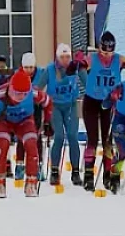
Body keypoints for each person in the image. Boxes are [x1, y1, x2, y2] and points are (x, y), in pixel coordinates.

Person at [76, 31, 125, 191]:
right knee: (92, 139)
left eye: (109, 52)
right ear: (100, 48)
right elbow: (79, 68)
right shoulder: (92, 58)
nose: (107, 56)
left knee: (108, 141)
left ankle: (108, 175)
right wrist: (80, 68)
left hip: (110, 103)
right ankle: (89, 175)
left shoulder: (119, 59)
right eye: (104, 52)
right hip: (91, 102)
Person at [0, 70, 53, 198]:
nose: (20, 97)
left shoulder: (33, 92)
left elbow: (48, 102)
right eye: (16, 93)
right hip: (4, 121)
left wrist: (47, 122)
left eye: (24, 94)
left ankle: (31, 182)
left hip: (24, 120)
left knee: (31, 144)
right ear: (10, 88)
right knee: (2, 143)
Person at [37, 43, 83, 186]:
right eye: (62, 57)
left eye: (68, 57)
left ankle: (75, 172)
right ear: (57, 57)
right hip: (55, 106)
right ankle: (55, 171)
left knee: (73, 136)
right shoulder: (50, 69)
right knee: (59, 136)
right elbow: (38, 88)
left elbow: (88, 81)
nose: (65, 60)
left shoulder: (75, 68)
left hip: (70, 105)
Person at [15, 52, 46, 181]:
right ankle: (20, 165)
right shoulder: (17, 75)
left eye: (31, 67)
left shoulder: (41, 74)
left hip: (36, 107)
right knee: (21, 137)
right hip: (21, 108)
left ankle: (38, 166)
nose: (28, 70)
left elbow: (44, 90)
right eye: (26, 67)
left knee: (36, 137)